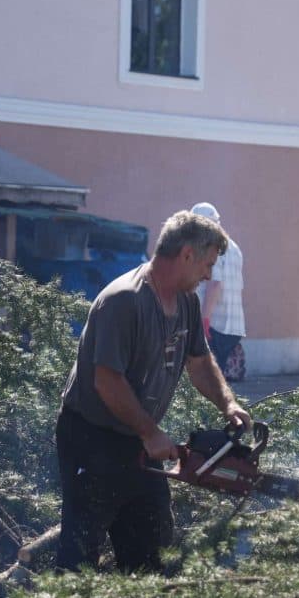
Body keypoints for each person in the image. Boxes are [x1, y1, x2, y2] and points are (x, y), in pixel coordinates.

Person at [54, 210, 252, 573]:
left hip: (137, 440)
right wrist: (150, 432)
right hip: (90, 437)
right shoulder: (124, 300)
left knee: (153, 549)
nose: (209, 275)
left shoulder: (188, 302)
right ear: (187, 254)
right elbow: (107, 381)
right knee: (80, 553)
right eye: (207, 265)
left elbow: (199, 360)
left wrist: (229, 403)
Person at [190, 202, 246, 381]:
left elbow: (215, 285)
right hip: (234, 325)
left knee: (208, 379)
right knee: (218, 378)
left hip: (216, 323)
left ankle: (213, 408)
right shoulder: (234, 248)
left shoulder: (212, 247)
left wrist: (204, 321)